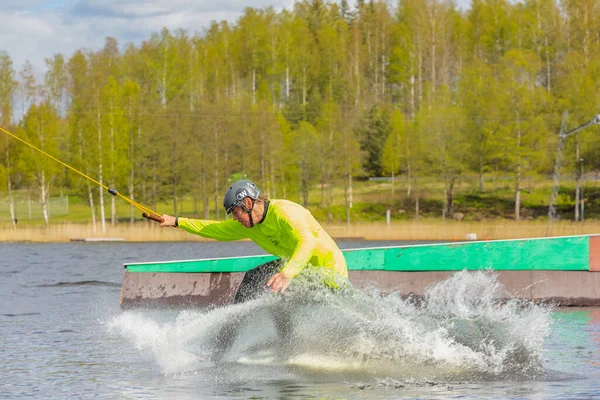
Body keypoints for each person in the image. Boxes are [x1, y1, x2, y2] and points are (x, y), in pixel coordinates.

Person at [160, 179, 348, 359]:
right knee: (255, 279)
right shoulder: (248, 225)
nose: (235, 218)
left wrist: (287, 273)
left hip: (327, 271)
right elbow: (213, 228)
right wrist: (176, 221)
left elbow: (307, 243)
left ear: (248, 203)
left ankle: (293, 344)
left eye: (235, 212)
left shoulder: (285, 212)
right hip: (300, 268)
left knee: (278, 293)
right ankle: (221, 350)